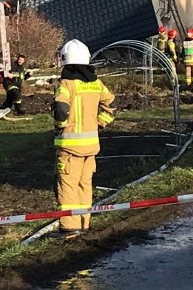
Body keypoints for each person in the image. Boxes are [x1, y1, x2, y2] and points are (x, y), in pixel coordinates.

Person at [52, 40, 115, 239]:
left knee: (68, 186)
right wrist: (99, 123)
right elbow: (112, 104)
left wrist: (61, 125)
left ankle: (70, 228)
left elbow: (60, 108)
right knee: (84, 185)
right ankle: (84, 223)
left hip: (70, 147)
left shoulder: (67, 83)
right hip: (91, 146)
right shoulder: (96, 83)